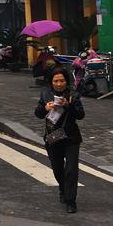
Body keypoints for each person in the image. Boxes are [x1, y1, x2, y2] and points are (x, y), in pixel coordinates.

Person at [35, 67, 84, 213]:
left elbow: (80, 115)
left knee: (71, 169)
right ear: (51, 82)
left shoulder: (73, 95)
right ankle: (63, 190)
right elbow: (38, 114)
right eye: (55, 81)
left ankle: (71, 201)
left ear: (66, 81)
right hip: (53, 137)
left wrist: (68, 106)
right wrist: (45, 108)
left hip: (71, 137)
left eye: (62, 81)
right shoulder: (46, 95)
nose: (59, 84)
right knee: (57, 169)